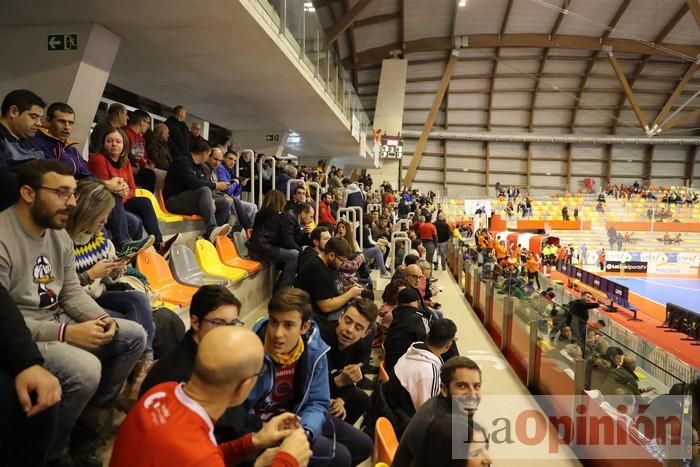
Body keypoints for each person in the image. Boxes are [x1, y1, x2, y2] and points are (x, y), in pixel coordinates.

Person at [0, 159, 147, 466]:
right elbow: (7, 320)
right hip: (26, 332)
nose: (72, 203)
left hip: (56, 318)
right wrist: (66, 333)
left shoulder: (57, 234)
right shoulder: (3, 236)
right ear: (28, 193)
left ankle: (89, 425)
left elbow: (70, 292)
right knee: (84, 369)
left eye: (73, 193)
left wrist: (100, 318)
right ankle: (54, 453)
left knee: (132, 334)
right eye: (62, 193)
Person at [110, 326, 312, 467]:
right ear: (243, 387)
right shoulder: (198, 456)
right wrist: (287, 460)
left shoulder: (161, 392)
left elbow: (195, 457)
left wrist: (253, 441)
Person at [247, 288, 373, 467]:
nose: (277, 333)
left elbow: (316, 401)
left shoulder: (315, 350)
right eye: (274, 322)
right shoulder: (249, 349)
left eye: (288, 325)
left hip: (298, 417)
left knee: (364, 445)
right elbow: (238, 411)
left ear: (304, 327)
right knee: (340, 457)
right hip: (264, 428)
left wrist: (305, 432)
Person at [66, 178, 156, 408]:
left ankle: (144, 363)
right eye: (101, 216)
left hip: (100, 292)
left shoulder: (101, 236)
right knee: (134, 324)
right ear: (86, 212)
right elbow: (65, 290)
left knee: (138, 299)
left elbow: (108, 279)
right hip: (77, 302)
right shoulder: (64, 240)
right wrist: (91, 274)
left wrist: (116, 269)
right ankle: (124, 386)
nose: (106, 221)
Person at [89, 126, 179, 257]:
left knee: (144, 201)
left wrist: (125, 191)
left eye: (118, 142)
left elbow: (132, 188)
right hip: (102, 204)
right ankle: (123, 244)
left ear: (124, 145)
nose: (114, 144)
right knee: (134, 220)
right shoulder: (98, 160)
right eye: (109, 141)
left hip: (120, 202)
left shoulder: (125, 162)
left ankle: (159, 244)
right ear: (104, 143)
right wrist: (120, 191)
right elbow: (100, 189)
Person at [0, 286, 61, 467]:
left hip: (52, 318)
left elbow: (71, 292)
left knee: (37, 395)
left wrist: (26, 361)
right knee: (83, 370)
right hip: (38, 324)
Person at [393, 357, 483, 467]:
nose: (472, 394)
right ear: (444, 389)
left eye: (476, 386)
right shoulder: (443, 429)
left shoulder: (445, 407)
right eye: (462, 386)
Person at [319, 298, 377, 425]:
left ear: (365, 333)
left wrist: (341, 399)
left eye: (358, 327)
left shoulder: (360, 348)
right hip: (311, 395)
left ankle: (337, 433)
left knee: (363, 400)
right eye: (348, 321)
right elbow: (307, 386)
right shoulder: (319, 339)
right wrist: (338, 381)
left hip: (333, 390)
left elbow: (351, 382)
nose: (350, 330)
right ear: (340, 318)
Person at [162, 139, 232, 243]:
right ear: (204, 154)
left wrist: (211, 199)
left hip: (190, 201)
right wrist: (215, 185)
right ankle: (212, 229)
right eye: (209, 155)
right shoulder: (182, 161)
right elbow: (194, 183)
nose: (208, 158)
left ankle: (211, 239)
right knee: (204, 190)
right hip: (174, 201)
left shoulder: (201, 167)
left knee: (224, 203)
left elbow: (202, 186)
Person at [294, 237, 364, 335]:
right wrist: (350, 294)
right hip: (318, 316)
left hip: (328, 310)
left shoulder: (330, 265)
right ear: (331, 255)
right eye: (342, 260)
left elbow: (332, 288)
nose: (343, 264)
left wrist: (347, 289)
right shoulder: (316, 268)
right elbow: (325, 306)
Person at [388, 318, 457, 415]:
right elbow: (428, 415)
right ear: (448, 345)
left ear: (428, 334)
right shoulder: (428, 373)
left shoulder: (412, 351)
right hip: (404, 422)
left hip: (396, 409)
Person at [248, 190, 307, 288]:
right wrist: (300, 250)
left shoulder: (264, 212)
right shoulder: (273, 214)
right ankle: (284, 288)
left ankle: (282, 285)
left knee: (293, 254)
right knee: (294, 255)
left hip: (258, 248)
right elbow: (284, 239)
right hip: (261, 250)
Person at [0, 89, 46, 211]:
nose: (39, 123)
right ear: (13, 112)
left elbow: (47, 167)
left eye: (40, 118)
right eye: (34, 117)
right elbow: (3, 178)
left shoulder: (29, 140)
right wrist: (43, 184)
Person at [383, 287, 432, 374]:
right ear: (418, 302)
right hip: (407, 371)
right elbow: (428, 346)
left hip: (391, 366)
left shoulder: (393, 315)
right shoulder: (419, 319)